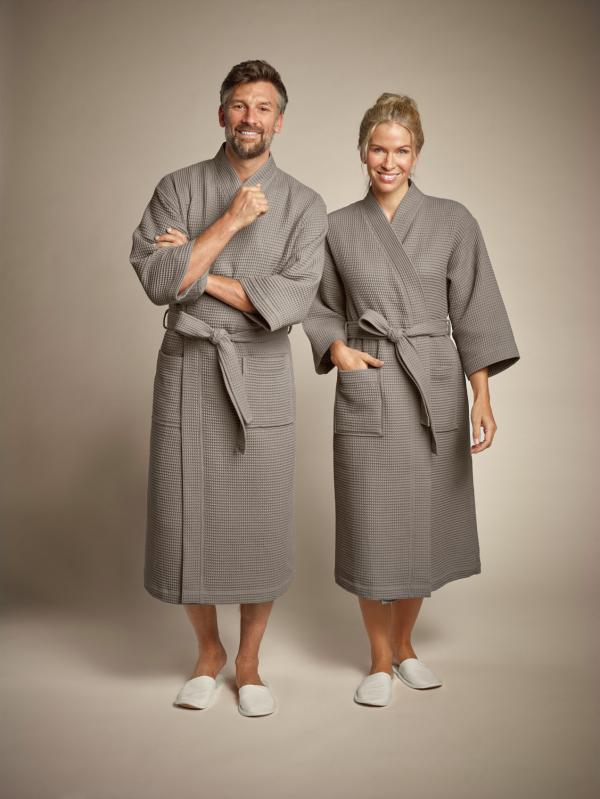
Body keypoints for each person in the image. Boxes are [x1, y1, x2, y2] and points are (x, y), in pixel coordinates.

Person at [302, 93, 519, 707]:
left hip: (433, 382)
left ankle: (404, 647)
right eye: (379, 149)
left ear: (417, 154)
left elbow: (475, 308)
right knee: (371, 522)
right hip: (370, 377)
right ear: (362, 152)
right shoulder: (337, 226)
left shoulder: (453, 220)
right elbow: (318, 305)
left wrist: (482, 396)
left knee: (422, 520)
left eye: (401, 150)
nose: (389, 161)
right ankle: (377, 658)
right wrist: (337, 349)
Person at [129, 60, 326, 716]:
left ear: (280, 121)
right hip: (188, 366)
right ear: (221, 114)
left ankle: (249, 661)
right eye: (239, 105)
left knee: (259, 519)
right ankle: (208, 651)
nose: (250, 118)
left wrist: (198, 269)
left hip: (260, 371)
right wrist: (229, 226)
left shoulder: (305, 204)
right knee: (184, 513)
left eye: (263, 107)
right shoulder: (177, 187)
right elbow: (156, 280)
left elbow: (290, 301)